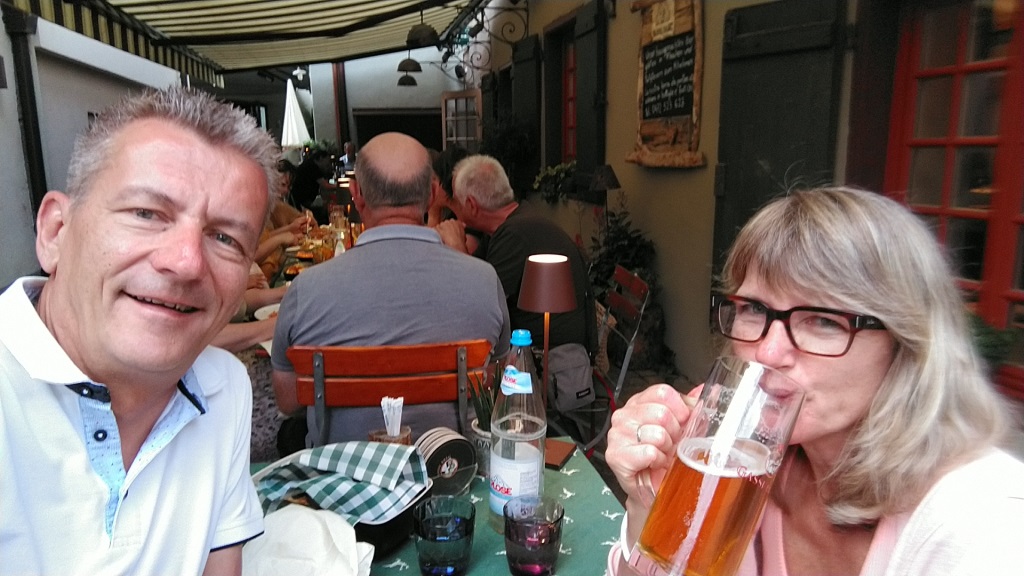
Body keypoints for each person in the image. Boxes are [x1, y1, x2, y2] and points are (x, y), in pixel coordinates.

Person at [605, 187, 1024, 575]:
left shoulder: (983, 525)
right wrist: (650, 503)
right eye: (754, 308)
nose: (768, 352)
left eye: (824, 320)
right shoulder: (745, 462)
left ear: (908, 345)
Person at [0, 86, 278, 574]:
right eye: (146, 214)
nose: (186, 262)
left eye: (224, 238)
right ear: (56, 232)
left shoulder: (223, 387)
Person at [270, 132, 511, 446]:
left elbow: (289, 401)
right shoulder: (485, 281)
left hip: (344, 469)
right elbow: (498, 380)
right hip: (452, 464)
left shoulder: (305, 290)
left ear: (356, 194)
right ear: (432, 194)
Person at [436, 154, 596, 414]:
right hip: (538, 348)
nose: (453, 207)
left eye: (455, 200)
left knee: (455, 373)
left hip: (543, 362)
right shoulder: (514, 224)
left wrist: (456, 246)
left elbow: (475, 303)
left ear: (472, 205)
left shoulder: (514, 235)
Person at [290, 148, 337, 224]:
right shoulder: (313, 166)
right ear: (321, 158)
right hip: (302, 201)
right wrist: (339, 186)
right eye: (327, 160)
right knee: (324, 213)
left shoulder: (310, 164)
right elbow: (325, 185)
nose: (328, 162)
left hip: (302, 200)